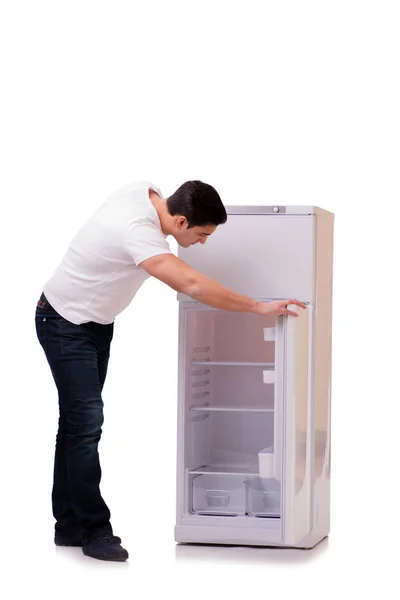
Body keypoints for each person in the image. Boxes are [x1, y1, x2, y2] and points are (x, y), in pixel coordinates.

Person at [35, 180, 306, 562]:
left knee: (77, 425)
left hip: (92, 323)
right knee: (86, 423)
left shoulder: (147, 193)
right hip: (64, 321)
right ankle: (95, 530)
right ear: (179, 222)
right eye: (201, 234)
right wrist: (258, 307)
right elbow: (192, 283)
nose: (204, 243)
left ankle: (68, 525)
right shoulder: (139, 233)